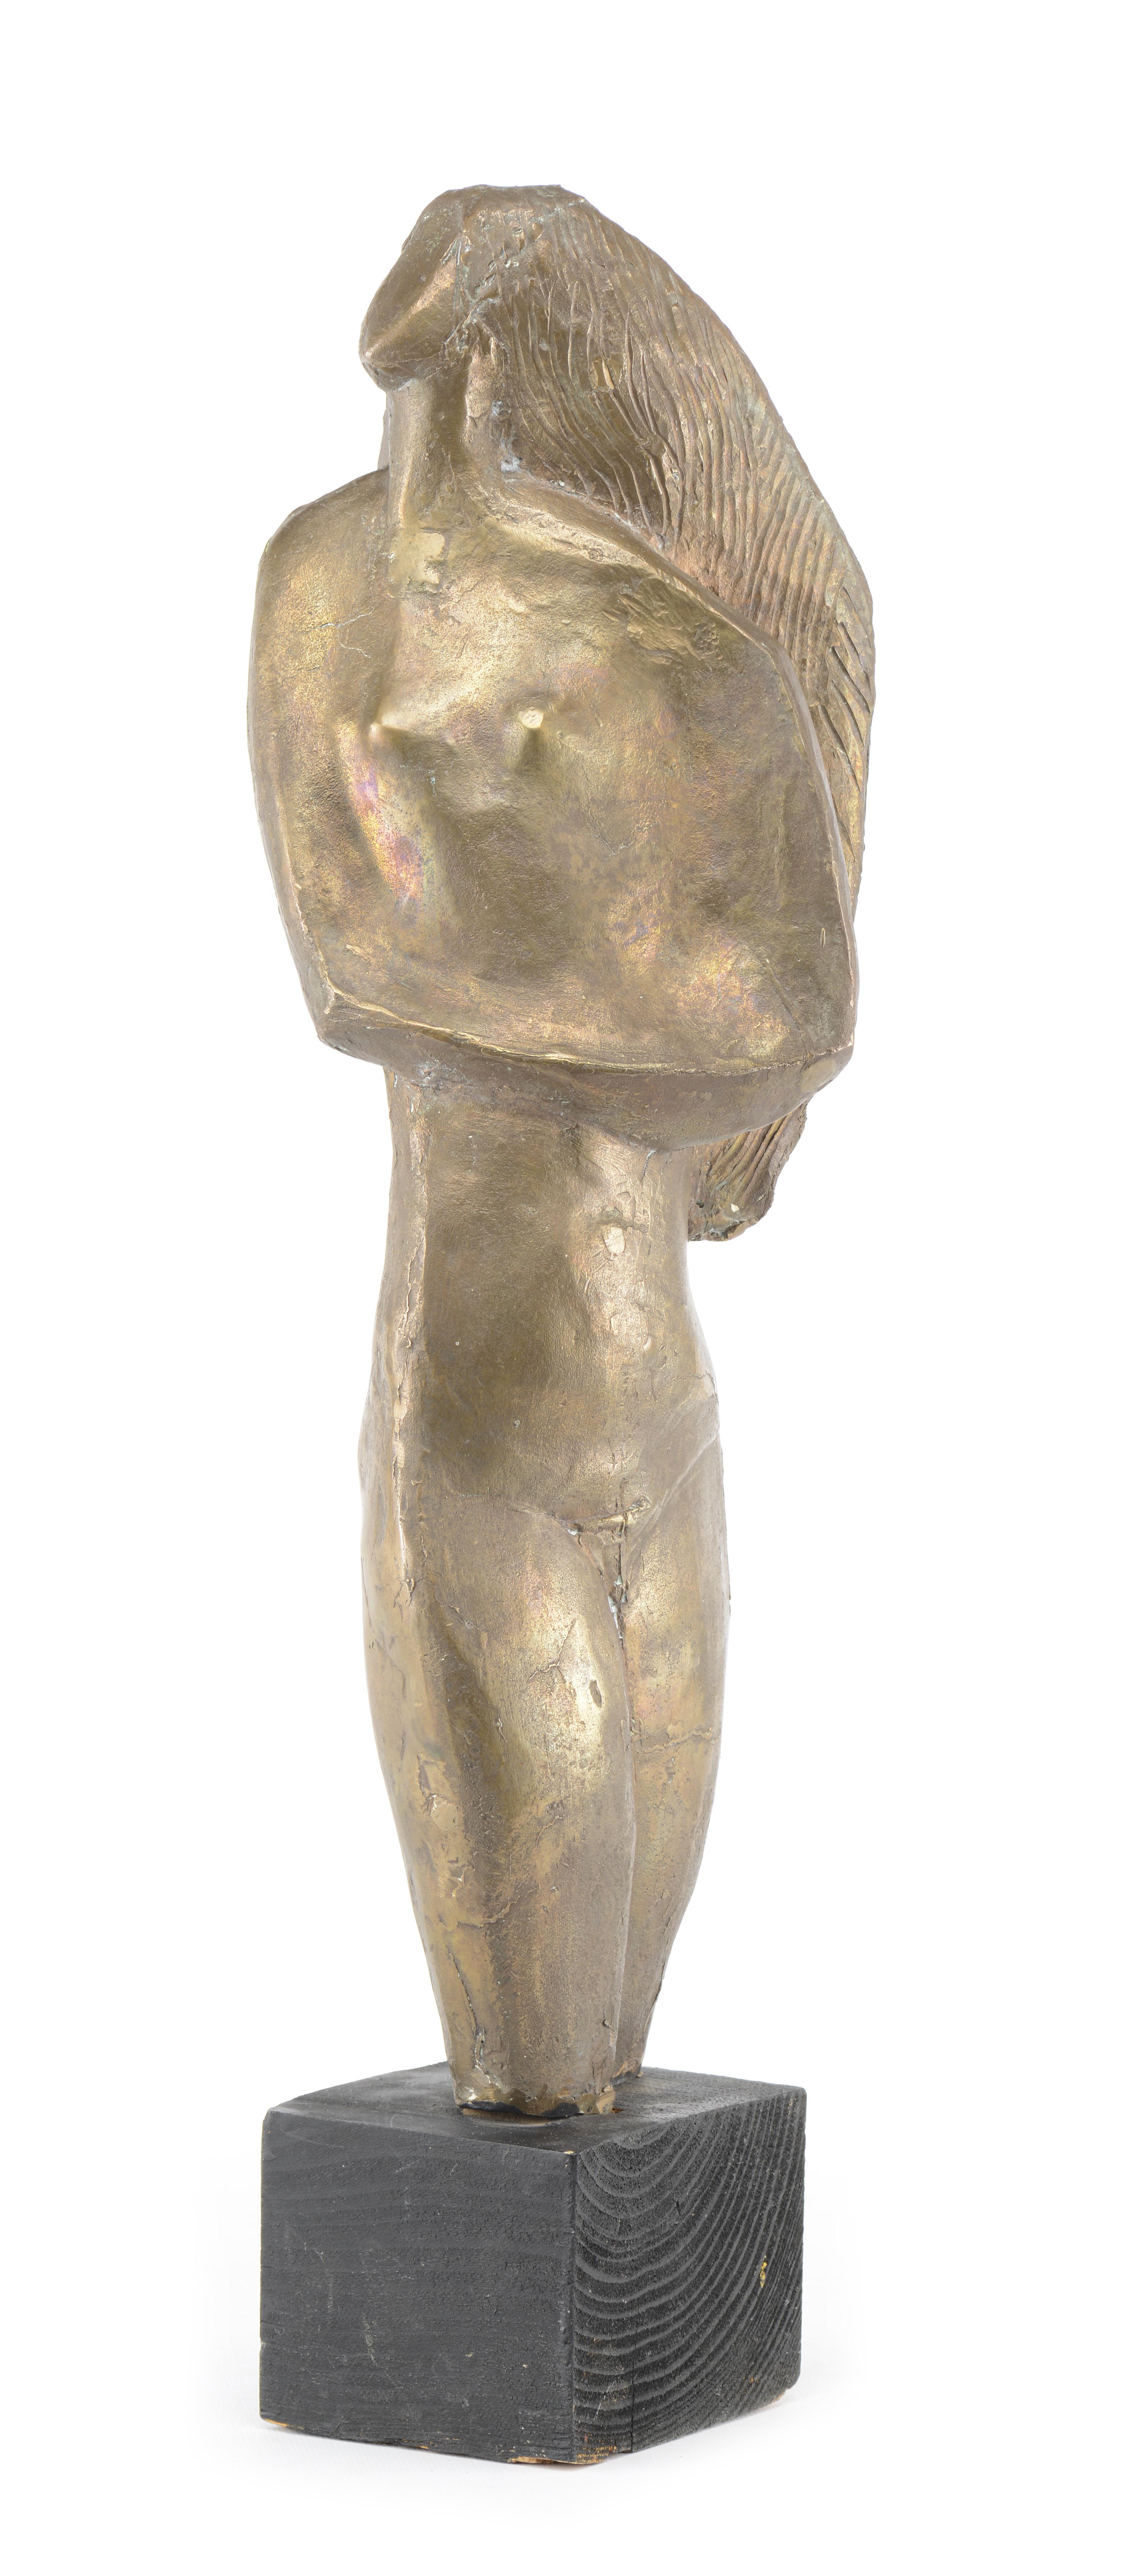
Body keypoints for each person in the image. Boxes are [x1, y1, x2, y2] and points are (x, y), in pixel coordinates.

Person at [250, 186, 873, 2112]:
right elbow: (357, 974)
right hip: (481, 1428)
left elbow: (804, 1008)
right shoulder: (327, 586)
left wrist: (663, 1009)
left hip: (657, 1428)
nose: (431, 458)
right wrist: (662, 1013)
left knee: (607, 2080)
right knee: (534, 2079)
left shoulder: (674, 649)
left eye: (462, 389)